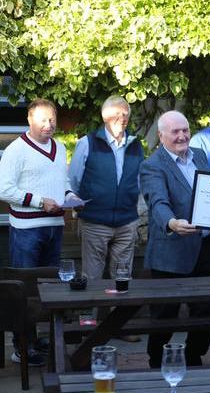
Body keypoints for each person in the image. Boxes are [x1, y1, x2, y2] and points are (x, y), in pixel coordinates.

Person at [139, 110, 210, 368]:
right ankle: (156, 360)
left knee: (206, 310)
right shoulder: (152, 165)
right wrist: (171, 222)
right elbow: (157, 201)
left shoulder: (200, 156)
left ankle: (193, 357)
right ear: (161, 136)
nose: (182, 136)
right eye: (175, 131)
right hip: (172, 250)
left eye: (185, 130)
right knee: (164, 314)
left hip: (206, 247)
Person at [0, 98, 79, 367]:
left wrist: (69, 194)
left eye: (52, 119)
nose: (49, 125)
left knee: (49, 287)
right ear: (30, 121)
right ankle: (21, 347)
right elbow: (3, 189)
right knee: (25, 290)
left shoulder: (58, 147)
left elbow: (62, 180)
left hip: (54, 228)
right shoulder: (16, 150)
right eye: (43, 120)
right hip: (27, 230)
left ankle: (38, 340)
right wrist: (38, 200)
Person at [68, 96, 144, 282]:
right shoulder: (87, 143)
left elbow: (139, 181)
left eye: (125, 114)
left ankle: (117, 312)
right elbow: (74, 179)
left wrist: (137, 214)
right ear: (104, 116)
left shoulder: (135, 145)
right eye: (116, 113)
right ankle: (90, 312)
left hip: (126, 222)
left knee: (122, 279)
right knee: (92, 278)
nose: (122, 118)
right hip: (95, 222)